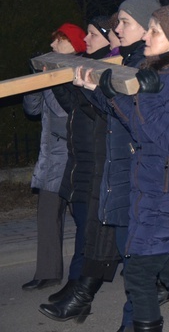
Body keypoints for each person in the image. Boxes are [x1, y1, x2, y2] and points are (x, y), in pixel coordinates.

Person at [75, 5, 169, 331]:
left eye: (154, 30)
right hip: (157, 187)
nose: (147, 36)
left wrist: (143, 98)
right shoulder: (164, 73)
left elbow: (168, 139)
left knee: (139, 273)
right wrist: (110, 95)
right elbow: (141, 131)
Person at [40, 16, 114, 312]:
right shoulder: (87, 65)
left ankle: (80, 290)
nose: (88, 39)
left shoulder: (103, 66)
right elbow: (75, 107)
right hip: (81, 161)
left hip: (98, 163)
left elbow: (94, 109)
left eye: (94, 34)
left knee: (92, 232)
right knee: (85, 227)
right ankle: (76, 285)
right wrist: (58, 80)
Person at [21, 23, 86, 292]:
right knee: (47, 216)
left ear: (71, 44)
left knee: (85, 218)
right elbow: (32, 110)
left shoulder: (80, 71)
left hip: (73, 158)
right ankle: (47, 273)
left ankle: (87, 273)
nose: (51, 46)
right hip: (51, 159)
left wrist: (52, 82)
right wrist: (36, 82)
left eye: (57, 41)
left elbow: (65, 115)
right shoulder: (54, 70)